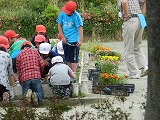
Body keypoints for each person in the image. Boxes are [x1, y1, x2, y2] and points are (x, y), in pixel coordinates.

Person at [117, 0, 148, 79]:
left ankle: (134, 73)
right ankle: (144, 67)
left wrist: (126, 15)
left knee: (128, 48)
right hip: (140, 19)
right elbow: (144, 1)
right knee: (137, 47)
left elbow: (124, 2)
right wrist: (142, 14)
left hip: (130, 20)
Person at [56, 1, 83, 75]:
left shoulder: (76, 16)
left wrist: (80, 40)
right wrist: (62, 36)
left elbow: (80, 28)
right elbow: (59, 25)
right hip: (65, 39)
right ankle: (69, 73)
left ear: (72, 11)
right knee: (67, 57)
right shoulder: (62, 14)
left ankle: (73, 74)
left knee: (73, 58)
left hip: (74, 40)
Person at [16, 41, 44, 105]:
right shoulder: (35, 52)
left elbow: (18, 70)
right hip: (36, 76)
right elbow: (42, 64)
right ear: (30, 46)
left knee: (25, 94)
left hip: (25, 77)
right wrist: (40, 73)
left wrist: (20, 80)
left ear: (22, 48)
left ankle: (27, 96)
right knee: (40, 93)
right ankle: (36, 95)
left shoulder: (19, 55)